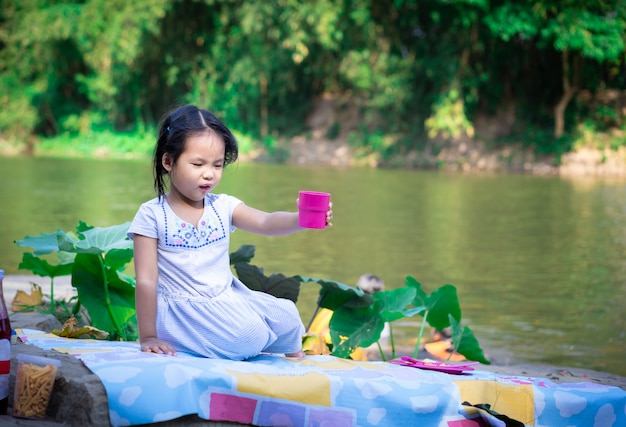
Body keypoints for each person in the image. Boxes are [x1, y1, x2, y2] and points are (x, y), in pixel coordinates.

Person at [128, 104, 332, 360]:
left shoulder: (223, 206)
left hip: (226, 298)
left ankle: (295, 363)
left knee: (287, 315)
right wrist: (148, 336)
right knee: (249, 335)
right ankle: (245, 342)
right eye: (198, 164)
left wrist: (300, 218)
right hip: (184, 312)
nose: (209, 174)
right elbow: (146, 280)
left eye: (217, 165)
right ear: (168, 161)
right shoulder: (152, 215)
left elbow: (266, 222)